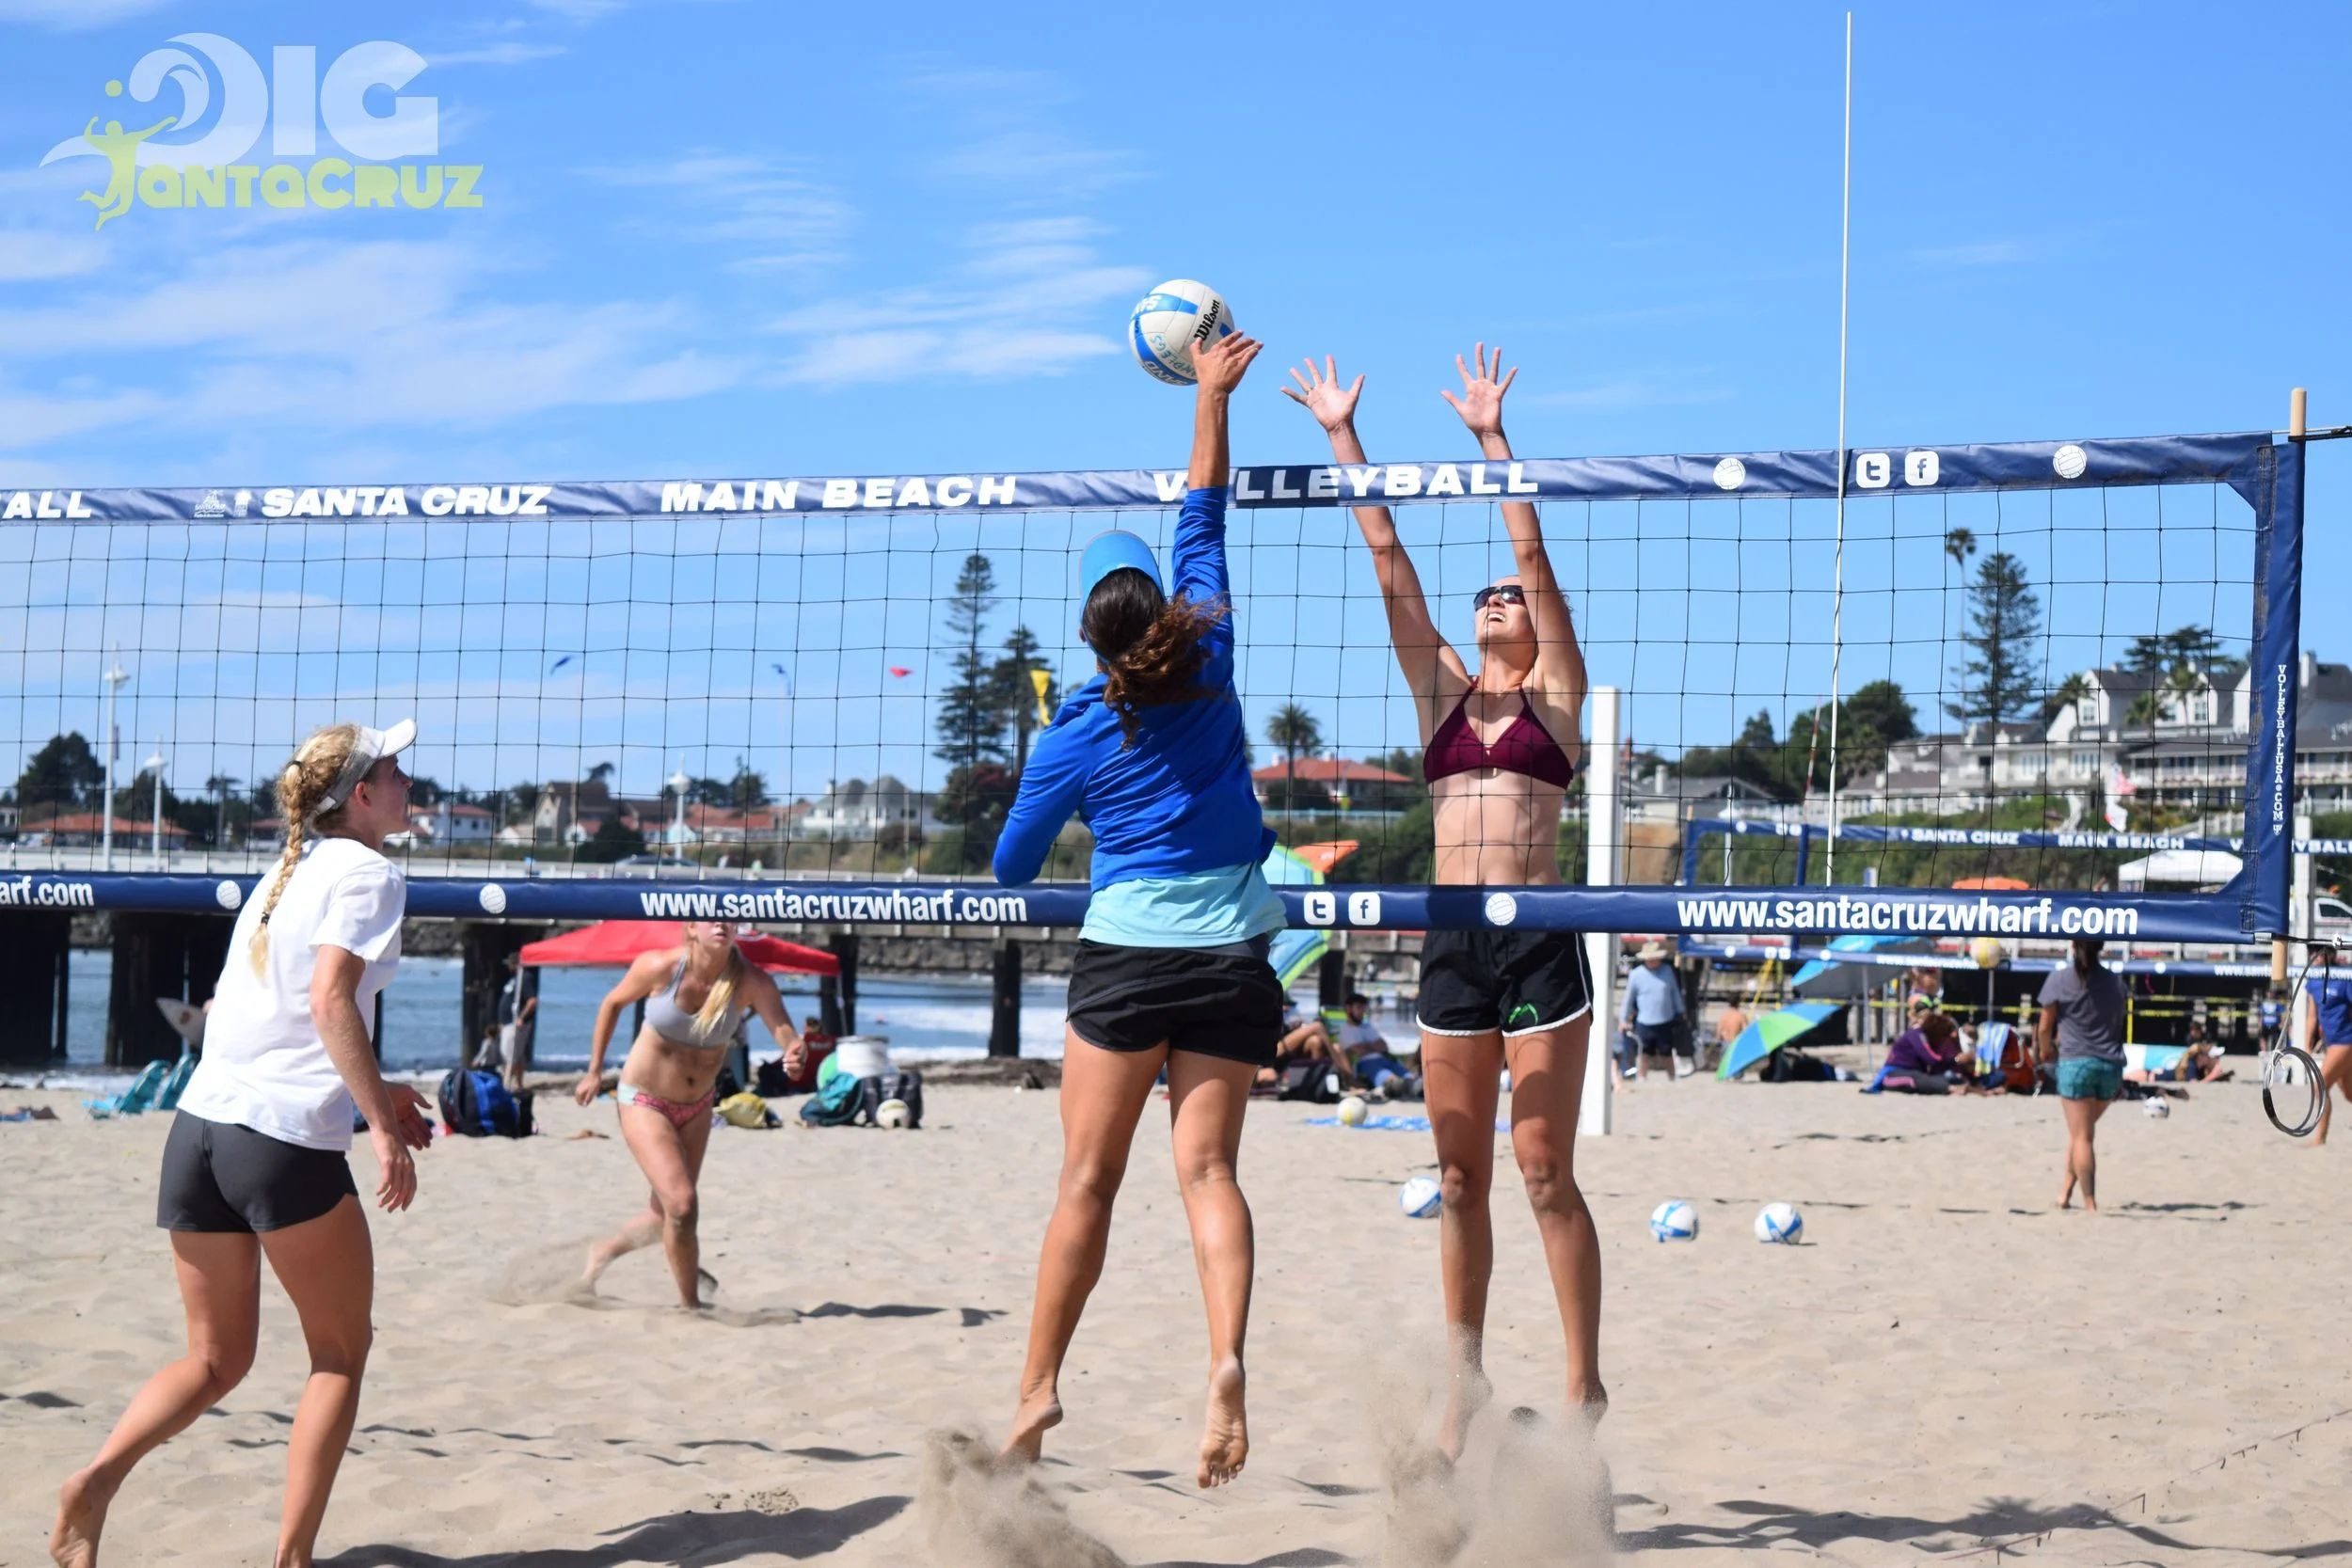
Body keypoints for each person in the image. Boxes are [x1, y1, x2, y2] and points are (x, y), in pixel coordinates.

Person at [1289, 344, 1601, 1451]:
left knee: (1543, 1170)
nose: (1498, 598)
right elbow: (1388, 562)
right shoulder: (1440, 695)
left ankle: (1581, 1386)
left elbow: (1533, 552)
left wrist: (1491, 442)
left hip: (1542, 939)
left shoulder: (1555, 698)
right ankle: (1463, 1385)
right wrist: (1341, 435)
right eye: (1488, 598)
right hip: (1452, 942)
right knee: (1460, 1177)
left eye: (1512, 598)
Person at [990, 328, 1276, 1490]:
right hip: (1231, 956)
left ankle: (1037, 1385)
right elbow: (1203, 507)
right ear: (1163, 606)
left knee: (1085, 1185)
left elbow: (1011, 869)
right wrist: (1210, 393)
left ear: (1087, 633)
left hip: (1122, 960)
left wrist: (1062, 779)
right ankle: (1225, 1357)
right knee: (1208, 1174)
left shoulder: (1073, 730)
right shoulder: (1211, 652)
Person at [53, 721, 434, 1568]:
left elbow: (257, 1016)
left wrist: (379, 1090)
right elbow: (329, 1003)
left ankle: (96, 1480)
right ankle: (290, 1560)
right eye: (395, 770)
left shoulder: (285, 871)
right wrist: (380, 1128)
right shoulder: (370, 872)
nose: (410, 781)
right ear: (361, 795)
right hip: (278, 1146)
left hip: (199, 1133)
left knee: (214, 1359)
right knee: (340, 1356)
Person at [573, 923, 805, 1308]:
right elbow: (612, 1004)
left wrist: (794, 1052)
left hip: (698, 1106)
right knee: (682, 1205)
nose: (721, 923)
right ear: (692, 928)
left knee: (662, 1217)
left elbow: (784, 1031)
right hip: (644, 1099)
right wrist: (594, 1071)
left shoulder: (751, 981)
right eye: (710, 917)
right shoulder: (660, 967)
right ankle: (690, 1306)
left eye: (728, 917)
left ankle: (601, 1253)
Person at [2037, 939, 2127, 1210]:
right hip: (2110, 1066)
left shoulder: (2059, 979)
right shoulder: (2115, 982)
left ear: (2072, 945)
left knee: (2082, 1138)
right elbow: (2118, 1022)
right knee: (2080, 1133)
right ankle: (2065, 1193)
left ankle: (2090, 1203)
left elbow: (2044, 1026)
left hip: (2076, 1064)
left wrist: (2045, 1051)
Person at [2301, 951, 2352, 1145]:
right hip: (2332, 1043)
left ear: (2331, 955)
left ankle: (2320, 1139)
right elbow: (2312, 1015)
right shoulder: (2313, 979)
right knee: (2349, 1093)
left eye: (2320, 952)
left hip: (2346, 1040)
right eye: (2313, 951)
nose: (2315, 955)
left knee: (2320, 1085)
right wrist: (2307, 1045)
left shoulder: (2344, 977)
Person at [1622, 941, 1686, 1084]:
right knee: (1643, 1052)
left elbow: (1675, 992)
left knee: (1667, 1051)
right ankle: (1642, 1076)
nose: (1652, 961)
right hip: (1644, 1020)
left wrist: (1680, 1010)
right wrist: (1623, 1019)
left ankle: (1672, 1077)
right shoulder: (1636, 974)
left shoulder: (1667, 971)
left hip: (1665, 1019)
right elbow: (1628, 999)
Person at [1877, 1010, 1985, 1095]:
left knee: (1938, 1077)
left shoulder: (1927, 1037)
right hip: (1894, 1074)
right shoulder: (1916, 1035)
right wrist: (1957, 1060)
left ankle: (1966, 1087)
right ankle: (1951, 1089)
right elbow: (1932, 1060)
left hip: (1915, 1073)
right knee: (1916, 1078)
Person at [1339, 991, 1419, 1099]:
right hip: (1364, 1063)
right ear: (1349, 1009)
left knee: (1411, 1077)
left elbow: (1384, 1045)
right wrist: (1374, 1046)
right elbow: (1358, 1051)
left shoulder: (1368, 1026)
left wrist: (1366, 1046)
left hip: (1384, 1060)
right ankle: (1397, 1088)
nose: (1362, 1011)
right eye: (1358, 1008)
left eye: (1363, 1008)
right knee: (1390, 1079)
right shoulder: (1345, 1029)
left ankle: (1412, 1087)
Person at [495, 951, 538, 1093]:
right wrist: (501, 1021)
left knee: (510, 1053)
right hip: (507, 1022)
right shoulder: (513, 979)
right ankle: (518, 1084)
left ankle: (506, 1083)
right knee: (515, 1054)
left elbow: (532, 1000)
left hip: (516, 1023)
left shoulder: (525, 978)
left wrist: (522, 1017)